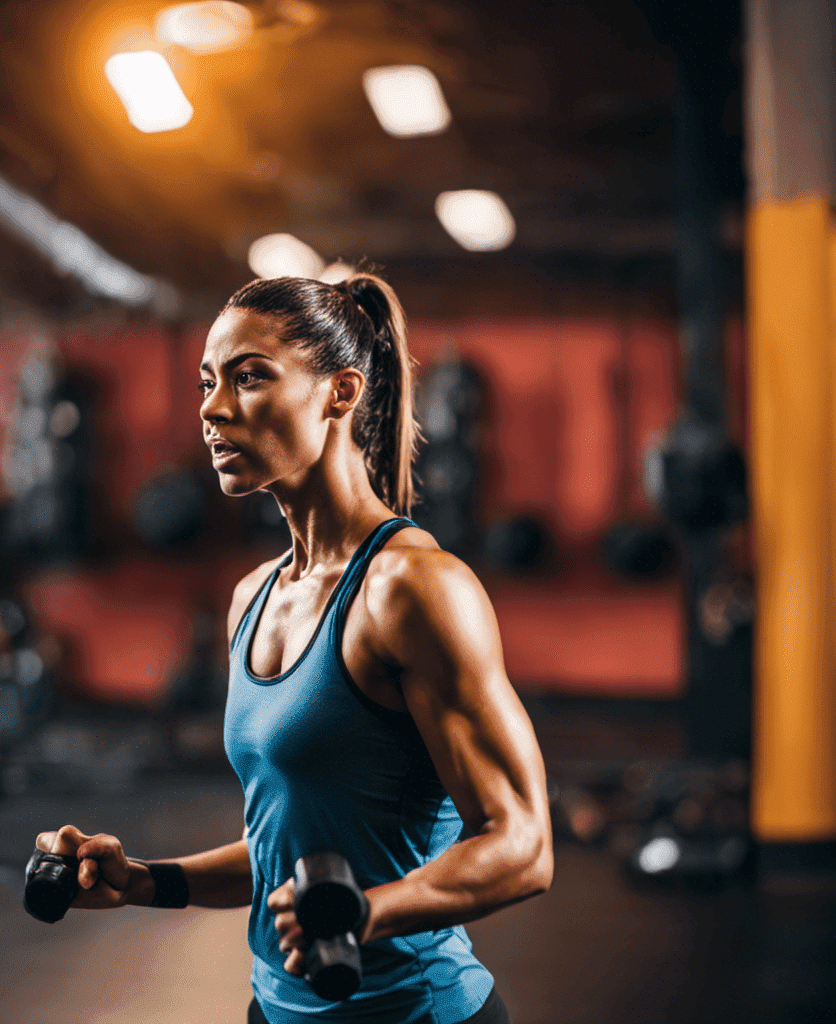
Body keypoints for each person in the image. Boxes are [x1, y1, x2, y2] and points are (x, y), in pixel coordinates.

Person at [36, 271, 554, 1024]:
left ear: (340, 393)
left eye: (249, 378)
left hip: (414, 1014)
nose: (213, 409)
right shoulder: (254, 597)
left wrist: (363, 915)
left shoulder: (412, 588)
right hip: (273, 1011)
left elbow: (523, 843)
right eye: (208, 381)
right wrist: (147, 881)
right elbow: (291, 852)